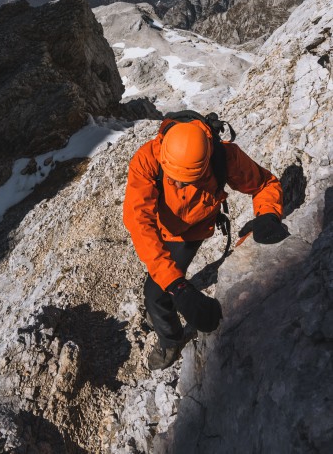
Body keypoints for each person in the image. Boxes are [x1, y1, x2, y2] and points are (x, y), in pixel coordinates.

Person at [123, 115, 288, 371]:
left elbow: (265, 184)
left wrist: (268, 214)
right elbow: (138, 220)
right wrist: (178, 286)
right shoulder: (147, 159)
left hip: (194, 232)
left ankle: (170, 340)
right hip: (161, 230)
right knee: (159, 290)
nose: (177, 184)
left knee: (154, 294)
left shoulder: (224, 157)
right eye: (172, 178)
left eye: (186, 181)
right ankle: (170, 331)